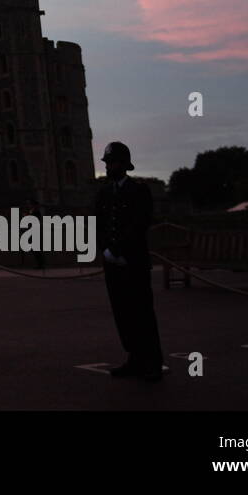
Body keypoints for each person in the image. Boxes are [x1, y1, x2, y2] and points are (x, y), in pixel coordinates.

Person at [95, 141, 163, 381]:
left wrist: (119, 249)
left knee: (142, 313)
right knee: (122, 314)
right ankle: (134, 359)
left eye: (113, 162)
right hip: (113, 264)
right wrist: (106, 249)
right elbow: (99, 224)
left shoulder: (139, 190)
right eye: (108, 162)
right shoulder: (104, 192)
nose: (109, 166)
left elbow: (139, 223)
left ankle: (153, 363)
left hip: (132, 262)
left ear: (124, 165)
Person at [24, 197, 45, 270]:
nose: (28, 205)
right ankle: (40, 264)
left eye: (29, 203)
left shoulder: (36, 212)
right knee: (35, 249)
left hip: (35, 231)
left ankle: (41, 264)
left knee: (36, 249)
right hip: (32, 231)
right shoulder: (31, 211)